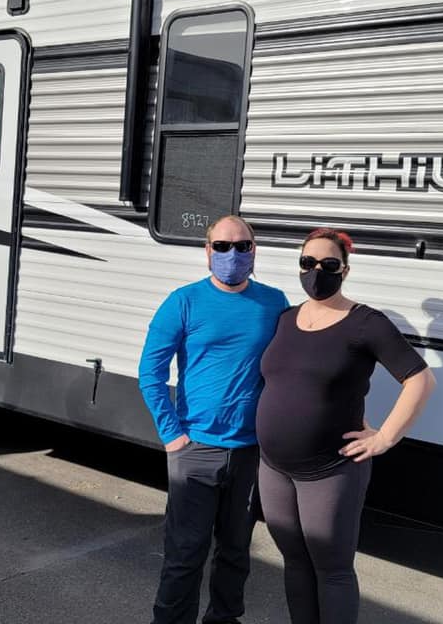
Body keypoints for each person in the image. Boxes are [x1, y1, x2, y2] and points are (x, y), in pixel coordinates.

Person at [256, 228, 436, 624]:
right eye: (308, 263)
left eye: (329, 264)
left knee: (332, 570)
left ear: (345, 270)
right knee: (295, 560)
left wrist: (385, 437)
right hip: (274, 467)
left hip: (330, 470)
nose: (317, 272)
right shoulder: (286, 319)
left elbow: (420, 380)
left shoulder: (366, 323)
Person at [139, 214, 289, 624]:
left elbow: (291, 365)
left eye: (242, 246)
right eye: (222, 246)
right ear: (207, 252)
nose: (232, 254)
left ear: (254, 250)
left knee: (236, 552)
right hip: (195, 450)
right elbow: (150, 372)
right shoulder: (183, 302)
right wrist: (172, 436)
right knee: (185, 554)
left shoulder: (274, 303)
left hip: (249, 452)